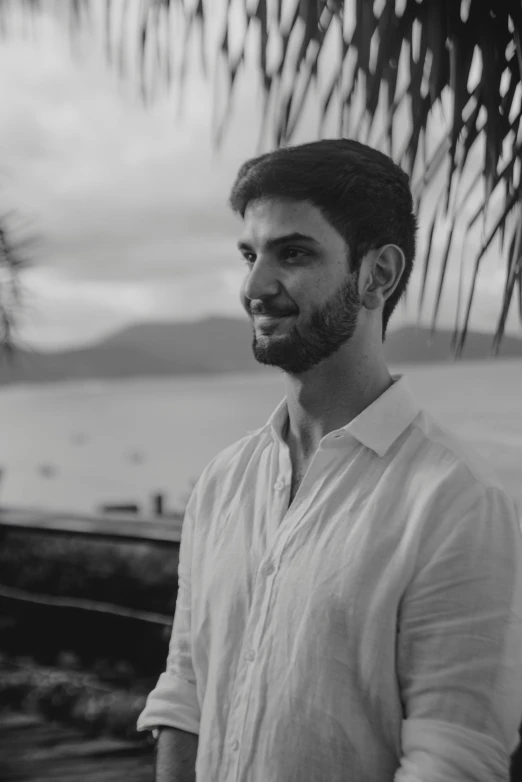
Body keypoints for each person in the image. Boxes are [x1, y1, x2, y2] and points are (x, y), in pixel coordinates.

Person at [137, 139, 522, 781]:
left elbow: (452, 761)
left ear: (377, 275)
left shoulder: (457, 503)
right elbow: (185, 691)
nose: (254, 287)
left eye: (293, 253)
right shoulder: (223, 482)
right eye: (249, 254)